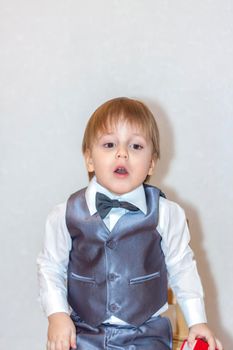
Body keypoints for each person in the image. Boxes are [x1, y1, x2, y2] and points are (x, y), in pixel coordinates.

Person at [37, 97, 223, 350]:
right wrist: (57, 314)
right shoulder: (64, 214)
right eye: (109, 144)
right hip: (83, 334)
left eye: (136, 146)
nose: (122, 152)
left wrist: (197, 321)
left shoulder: (168, 214)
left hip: (146, 335)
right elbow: (51, 267)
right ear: (89, 158)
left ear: (152, 163)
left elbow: (182, 268)